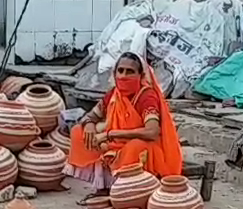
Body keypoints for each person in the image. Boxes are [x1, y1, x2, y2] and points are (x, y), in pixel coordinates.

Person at [66, 52, 183, 196]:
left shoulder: (146, 96)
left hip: (144, 145)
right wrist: (89, 125)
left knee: (135, 147)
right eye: (120, 71)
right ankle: (103, 187)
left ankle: (127, 192)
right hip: (114, 142)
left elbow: (152, 132)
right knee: (79, 131)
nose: (123, 76)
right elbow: (90, 116)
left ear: (140, 76)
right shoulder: (114, 93)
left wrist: (110, 134)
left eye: (130, 72)